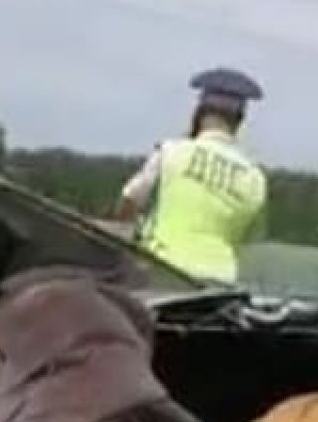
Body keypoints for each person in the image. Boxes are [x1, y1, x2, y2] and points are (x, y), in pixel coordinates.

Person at [113, 67, 268, 284]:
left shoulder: (172, 151)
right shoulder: (255, 178)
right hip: (220, 281)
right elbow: (247, 237)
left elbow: (129, 200)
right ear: (239, 121)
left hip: (163, 270)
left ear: (199, 113)